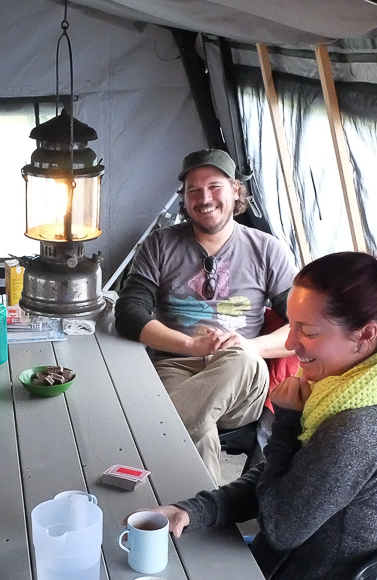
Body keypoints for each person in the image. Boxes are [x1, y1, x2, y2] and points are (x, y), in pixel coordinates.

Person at [137, 251, 377, 580]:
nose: (291, 344)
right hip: (283, 571)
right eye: (292, 327)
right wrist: (194, 510)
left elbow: (279, 524)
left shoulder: (357, 429)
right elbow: (288, 482)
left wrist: (286, 422)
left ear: (364, 334)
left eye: (307, 331)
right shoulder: (345, 389)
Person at [114, 148, 297, 485]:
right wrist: (190, 345)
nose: (204, 198)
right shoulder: (159, 245)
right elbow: (128, 313)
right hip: (175, 368)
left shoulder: (268, 249)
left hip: (243, 377)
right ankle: (202, 523)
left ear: (235, 191)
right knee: (198, 430)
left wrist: (249, 345)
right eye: (193, 190)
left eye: (215, 186)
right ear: (183, 198)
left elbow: (304, 329)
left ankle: (137, 436)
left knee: (239, 359)